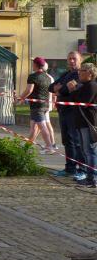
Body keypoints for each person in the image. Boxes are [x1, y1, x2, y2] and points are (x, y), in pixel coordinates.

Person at [50, 51, 86, 180]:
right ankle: (70, 168)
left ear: (80, 60)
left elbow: (66, 90)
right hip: (63, 111)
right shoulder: (66, 74)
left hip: (74, 112)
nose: (71, 61)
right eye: (69, 59)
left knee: (77, 141)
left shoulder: (81, 74)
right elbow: (50, 87)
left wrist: (60, 90)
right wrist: (59, 89)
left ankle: (82, 169)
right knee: (67, 141)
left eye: (74, 59)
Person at [66, 63, 97, 188]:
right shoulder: (84, 85)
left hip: (87, 122)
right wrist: (73, 90)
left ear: (90, 73)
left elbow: (83, 102)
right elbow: (74, 100)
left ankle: (92, 178)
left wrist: (73, 89)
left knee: (90, 151)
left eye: (82, 70)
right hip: (81, 122)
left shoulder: (92, 85)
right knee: (85, 151)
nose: (79, 72)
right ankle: (90, 177)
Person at [17, 57, 54, 153]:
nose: (32, 65)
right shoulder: (47, 77)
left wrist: (20, 98)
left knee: (42, 126)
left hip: (37, 106)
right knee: (34, 128)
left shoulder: (33, 76)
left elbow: (29, 90)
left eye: (33, 64)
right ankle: (26, 147)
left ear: (36, 65)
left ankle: (49, 146)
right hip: (45, 105)